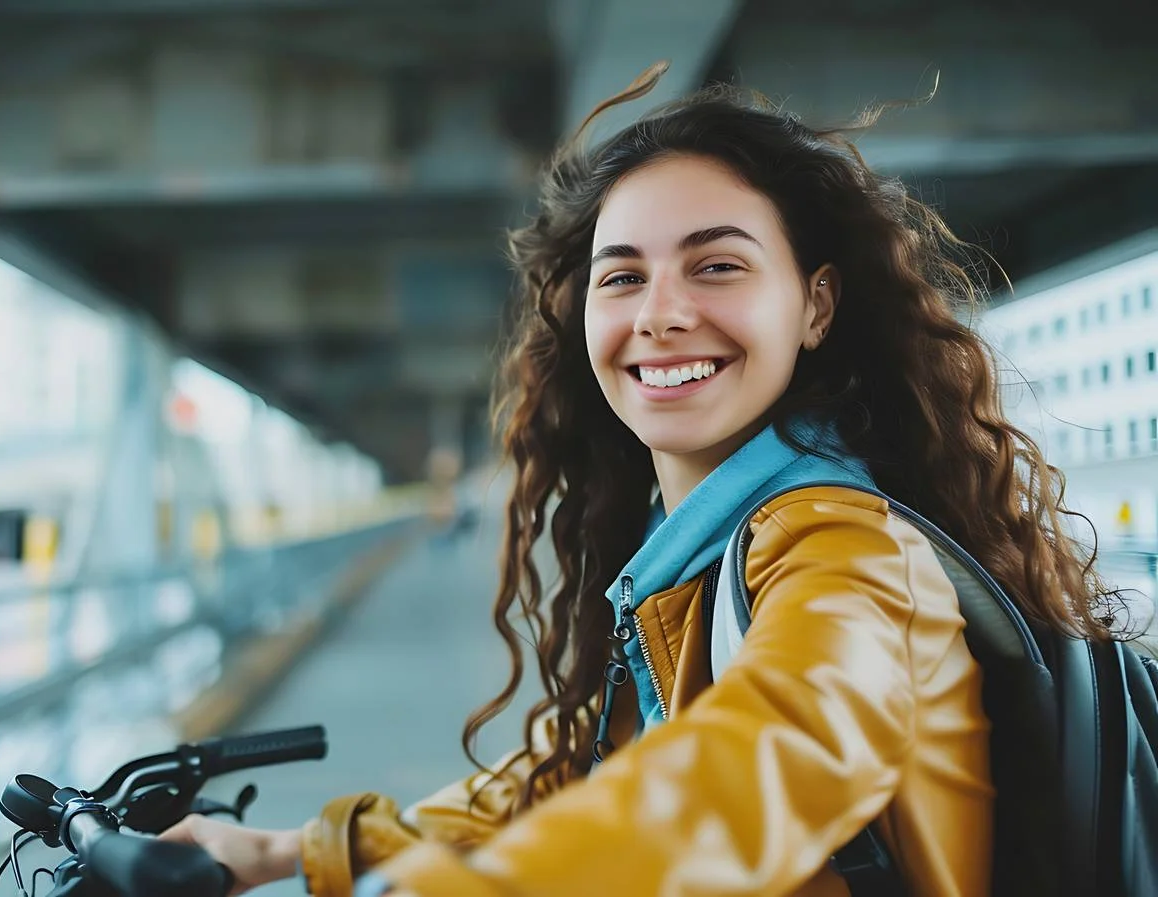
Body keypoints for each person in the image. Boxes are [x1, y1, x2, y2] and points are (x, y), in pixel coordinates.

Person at [158, 61, 1127, 896]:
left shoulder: (845, 549)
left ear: (816, 306)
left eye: (715, 267)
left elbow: (756, 760)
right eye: (621, 277)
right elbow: (575, 774)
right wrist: (283, 849)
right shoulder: (700, 556)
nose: (660, 314)